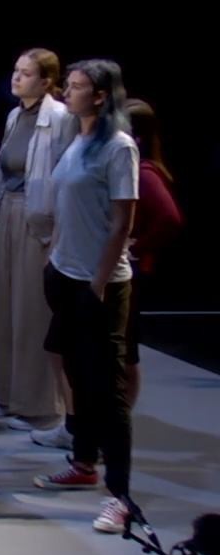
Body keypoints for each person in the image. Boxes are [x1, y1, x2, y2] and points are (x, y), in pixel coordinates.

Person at [32, 60, 141, 536]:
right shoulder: (78, 139)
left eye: (77, 87)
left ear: (100, 95)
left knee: (108, 391)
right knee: (75, 375)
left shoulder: (119, 147)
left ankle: (121, 497)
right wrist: (55, 258)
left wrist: (98, 281)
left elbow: (122, 222)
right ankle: (82, 462)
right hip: (65, 273)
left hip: (100, 283)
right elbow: (67, 205)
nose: (68, 93)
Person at [0, 49, 76, 438]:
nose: (16, 78)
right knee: (4, 309)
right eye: (15, 70)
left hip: (38, 216)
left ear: (47, 81)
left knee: (32, 312)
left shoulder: (60, 119)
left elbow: (65, 176)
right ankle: (10, 395)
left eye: (26, 73)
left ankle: (38, 404)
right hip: (8, 211)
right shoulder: (13, 116)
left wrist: (56, 231)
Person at [123, 100, 182, 406]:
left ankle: (122, 414)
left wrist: (137, 247)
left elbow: (170, 219)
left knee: (125, 348)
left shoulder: (145, 173)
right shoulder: (131, 169)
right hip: (125, 269)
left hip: (131, 272)